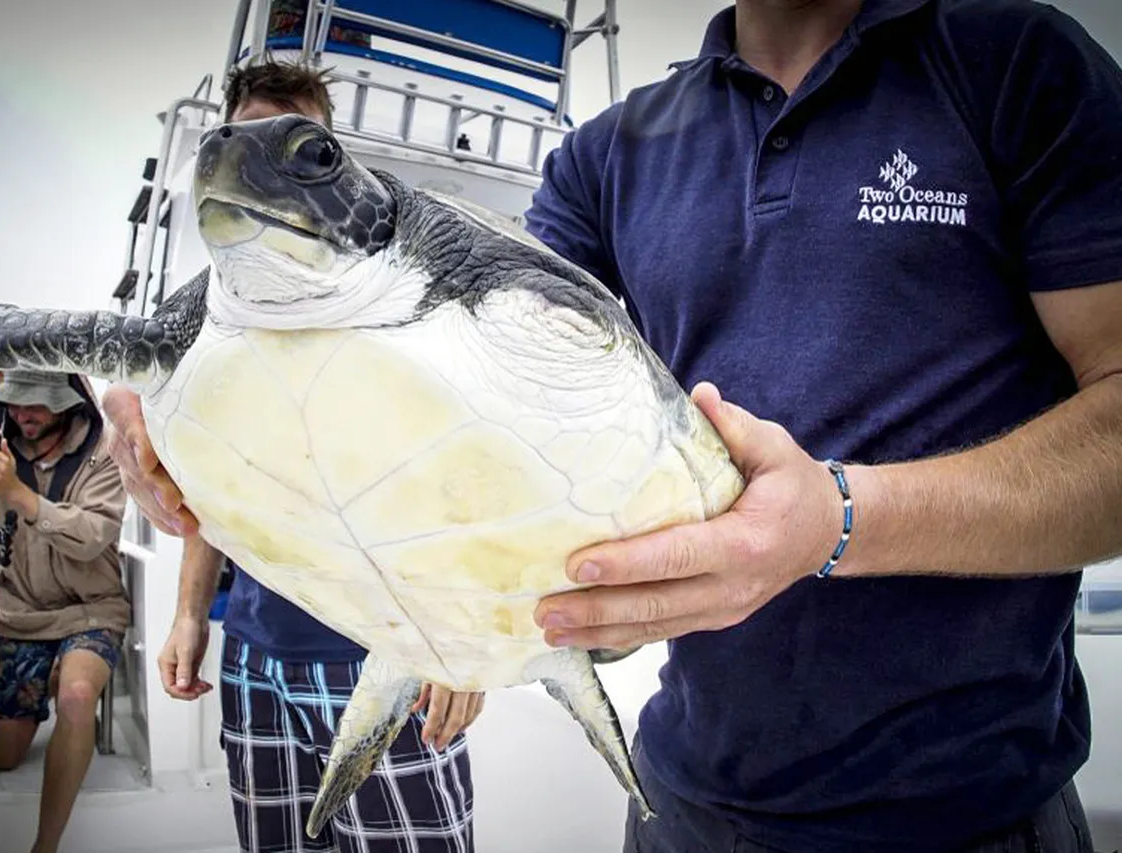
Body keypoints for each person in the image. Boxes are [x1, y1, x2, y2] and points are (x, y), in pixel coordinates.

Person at [104, 1, 1122, 850]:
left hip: (977, 811)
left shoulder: (1010, 64)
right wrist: (188, 366)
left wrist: (842, 520)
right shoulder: (611, 150)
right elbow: (452, 355)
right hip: (685, 794)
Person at [146, 61, 479, 853]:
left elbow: (467, 473)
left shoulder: (404, 298)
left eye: (297, 146)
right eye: (245, 138)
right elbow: (209, 474)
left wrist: (465, 646)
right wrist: (191, 612)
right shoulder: (207, 309)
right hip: (255, 657)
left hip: (385, 657)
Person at [0, 370, 129, 853]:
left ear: (65, 404)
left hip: (91, 612)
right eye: (17, 403)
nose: (23, 414)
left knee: (78, 696)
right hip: (21, 617)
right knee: (2, 756)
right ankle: (47, 678)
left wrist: (17, 492)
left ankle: (44, 845)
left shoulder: (105, 452)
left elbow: (92, 538)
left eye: (37, 405)